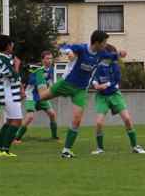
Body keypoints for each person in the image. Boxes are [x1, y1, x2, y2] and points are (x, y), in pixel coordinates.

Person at [38, 30, 125, 158]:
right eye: (104, 42)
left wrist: (119, 54)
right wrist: (69, 52)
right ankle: (35, 82)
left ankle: (66, 150)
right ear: (97, 42)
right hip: (66, 83)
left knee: (77, 119)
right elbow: (64, 47)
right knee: (41, 97)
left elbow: (112, 56)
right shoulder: (82, 48)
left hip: (81, 90)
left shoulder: (101, 53)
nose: (106, 45)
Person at [91, 45, 145, 155]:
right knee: (99, 123)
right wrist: (97, 85)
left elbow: (115, 81)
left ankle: (135, 146)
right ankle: (100, 148)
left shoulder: (114, 66)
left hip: (114, 94)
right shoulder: (98, 65)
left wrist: (106, 85)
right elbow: (94, 80)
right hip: (102, 97)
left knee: (127, 119)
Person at [14, 50, 58, 143]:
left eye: (51, 58)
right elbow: (30, 81)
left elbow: (49, 81)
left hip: (42, 96)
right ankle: (16, 138)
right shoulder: (36, 70)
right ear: (43, 60)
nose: (50, 60)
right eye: (47, 58)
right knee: (30, 117)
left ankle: (54, 137)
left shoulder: (51, 69)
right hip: (31, 95)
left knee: (52, 114)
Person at [0, 35, 23, 157]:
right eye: (11, 44)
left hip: (8, 93)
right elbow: (13, 76)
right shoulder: (2, 59)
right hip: (8, 94)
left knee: (10, 121)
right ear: (8, 46)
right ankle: (5, 149)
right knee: (17, 120)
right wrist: (17, 65)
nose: (13, 46)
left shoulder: (5, 57)